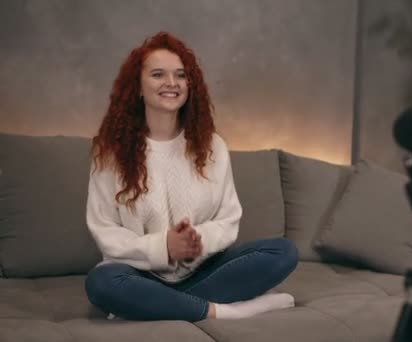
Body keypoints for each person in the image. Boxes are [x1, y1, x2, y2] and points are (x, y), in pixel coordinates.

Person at [84, 32, 298, 322]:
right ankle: (221, 311)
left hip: (202, 269)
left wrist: (197, 242)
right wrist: (165, 247)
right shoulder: (109, 151)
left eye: (180, 76)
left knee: (283, 251)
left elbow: (228, 218)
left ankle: (157, 306)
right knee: (101, 282)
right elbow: (104, 230)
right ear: (137, 86)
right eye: (158, 74)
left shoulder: (212, 146)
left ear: (189, 85)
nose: (171, 84)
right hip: (139, 273)